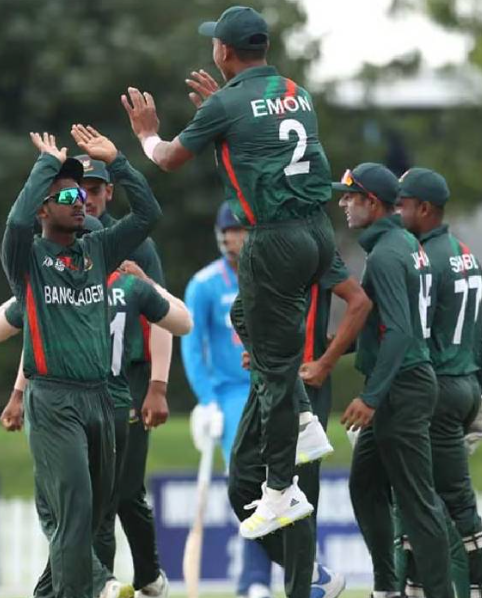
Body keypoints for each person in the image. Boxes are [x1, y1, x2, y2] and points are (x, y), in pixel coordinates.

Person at [122, 5, 336, 543]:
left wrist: (147, 134)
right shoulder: (297, 92)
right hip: (318, 233)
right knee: (245, 317)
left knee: (275, 367)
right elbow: (260, 138)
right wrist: (223, 111)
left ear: (223, 51)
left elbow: (169, 158)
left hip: (274, 238)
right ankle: (305, 420)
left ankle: (281, 489)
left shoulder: (229, 103)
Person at [0, 219, 191, 598]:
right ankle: (94, 583)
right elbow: (183, 322)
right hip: (117, 408)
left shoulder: (51, 286)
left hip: (64, 406)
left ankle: (100, 582)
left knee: (59, 512)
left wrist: (22, 289)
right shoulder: (129, 285)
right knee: (101, 514)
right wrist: (150, 283)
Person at [0, 126, 161, 598]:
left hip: (101, 399)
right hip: (55, 400)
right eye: (67, 196)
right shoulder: (27, 259)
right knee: (74, 513)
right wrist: (46, 165)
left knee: (92, 520)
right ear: (42, 208)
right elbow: (15, 223)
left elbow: (148, 214)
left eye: (83, 194)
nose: (81, 202)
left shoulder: (98, 249)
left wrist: (119, 161)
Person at [183, 203, 353, 598]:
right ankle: (262, 579)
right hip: (231, 393)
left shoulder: (278, 265)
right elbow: (193, 346)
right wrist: (207, 400)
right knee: (249, 486)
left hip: (276, 382)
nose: (234, 239)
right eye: (228, 232)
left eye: (239, 230)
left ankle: (267, 579)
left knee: (276, 488)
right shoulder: (205, 283)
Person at [334, 163, 451, 598]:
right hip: (401, 385)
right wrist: (317, 355)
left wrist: (371, 396)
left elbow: (399, 333)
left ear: (373, 203)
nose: (343, 204)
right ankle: (386, 587)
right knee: (365, 485)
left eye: (351, 197)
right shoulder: (403, 243)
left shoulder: (386, 253)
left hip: (402, 388)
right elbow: (373, 328)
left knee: (418, 504)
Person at [396, 168, 482, 598]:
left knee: (432, 501)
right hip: (466, 383)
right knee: (443, 499)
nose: (396, 211)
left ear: (424, 208)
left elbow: (411, 336)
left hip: (437, 388)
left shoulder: (425, 259)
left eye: (402, 204)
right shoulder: (465, 253)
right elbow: (480, 334)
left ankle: (475, 589)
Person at [77, 155, 173, 596]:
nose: (85, 199)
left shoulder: (135, 243)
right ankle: (110, 581)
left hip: (129, 376)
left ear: (109, 192)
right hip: (77, 381)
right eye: (77, 191)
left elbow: (163, 314)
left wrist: (158, 385)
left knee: (125, 487)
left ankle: (144, 575)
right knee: (98, 489)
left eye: (94, 190)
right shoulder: (59, 243)